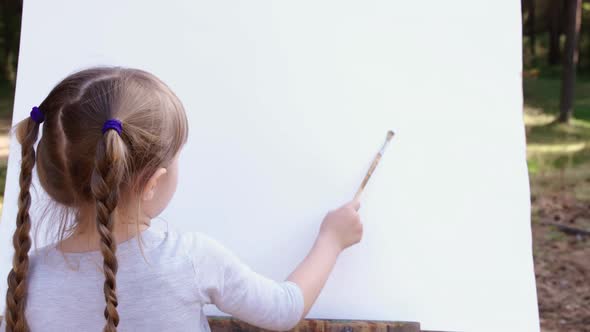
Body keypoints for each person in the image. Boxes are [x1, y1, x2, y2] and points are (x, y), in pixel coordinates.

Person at [0, 67, 363, 332]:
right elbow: (284, 310)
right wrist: (332, 239)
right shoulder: (190, 259)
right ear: (153, 183)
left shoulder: (29, 279)